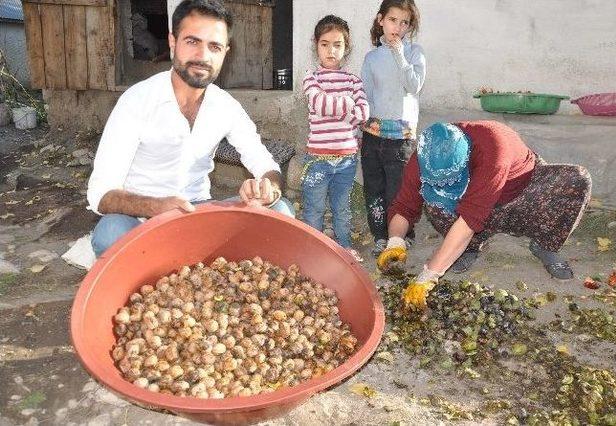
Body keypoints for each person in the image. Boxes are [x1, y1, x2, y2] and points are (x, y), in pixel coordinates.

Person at [87, 0, 294, 257]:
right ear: (173, 42)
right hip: (143, 218)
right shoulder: (137, 101)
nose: (203, 56)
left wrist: (267, 189)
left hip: (199, 212)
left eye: (214, 47)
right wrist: (158, 207)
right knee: (110, 234)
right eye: (192, 41)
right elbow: (100, 194)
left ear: (225, 53)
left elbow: (266, 164)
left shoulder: (225, 106)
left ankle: (185, 259)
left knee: (281, 211)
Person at [377, 121, 592, 307]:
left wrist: (428, 276)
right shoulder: (425, 155)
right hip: (476, 202)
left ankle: (545, 244)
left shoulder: (493, 147)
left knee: (576, 180)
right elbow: (404, 206)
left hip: (521, 192)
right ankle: (469, 248)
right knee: (436, 204)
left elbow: (469, 221)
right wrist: (395, 242)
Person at [301, 15, 370, 262]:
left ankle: (344, 246)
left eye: (337, 45)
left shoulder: (353, 80)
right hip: (317, 160)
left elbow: (364, 113)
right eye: (325, 44)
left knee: (342, 208)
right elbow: (319, 104)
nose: (331, 50)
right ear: (316, 45)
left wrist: (345, 106)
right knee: (314, 208)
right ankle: (312, 250)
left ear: (346, 47)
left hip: (347, 160)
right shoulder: (311, 78)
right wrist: (348, 104)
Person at [360, 0, 426, 256]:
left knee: (399, 189)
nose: (397, 27)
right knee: (374, 188)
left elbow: (414, 86)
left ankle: (400, 236)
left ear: (410, 27)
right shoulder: (372, 58)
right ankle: (379, 236)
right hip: (373, 135)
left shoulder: (414, 53)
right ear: (380, 20)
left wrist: (399, 54)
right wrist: (360, 130)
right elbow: (365, 95)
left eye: (404, 22)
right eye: (392, 20)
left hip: (402, 138)